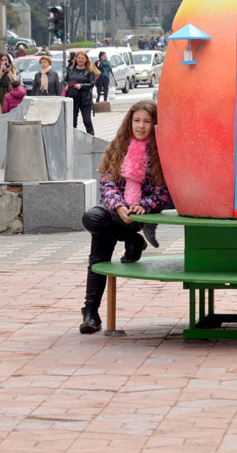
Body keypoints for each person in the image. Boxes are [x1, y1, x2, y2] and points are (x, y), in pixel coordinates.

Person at [79, 100, 170, 334]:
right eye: (136, 120)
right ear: (129, 121)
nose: (140, 126)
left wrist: (143, 205)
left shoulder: (161, 151)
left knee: (98, 245)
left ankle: (90, 312)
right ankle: (133, 242)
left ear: (155, 124)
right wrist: (118, 206)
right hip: (113, 210)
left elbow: (164, 191)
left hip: (140, 214)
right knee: (92, 219)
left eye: (147, 122)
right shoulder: (119, 145)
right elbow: (107, 181)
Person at [64, 51, 96, 135]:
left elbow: (92, 84)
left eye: (82, 58)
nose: (80, 60)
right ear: (76, 59)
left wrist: (81, 85)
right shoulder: (71, 68)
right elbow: (64, 80)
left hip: (85, 99)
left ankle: (91, 139)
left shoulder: (89, 70)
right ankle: (72, 140)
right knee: (72, 122)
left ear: (86, 60)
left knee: (87, 121)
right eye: (79, 58)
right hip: (73, 98)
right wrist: (66, 86)